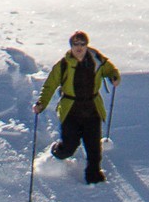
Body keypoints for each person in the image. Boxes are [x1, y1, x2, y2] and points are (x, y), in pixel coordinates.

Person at [34, 31, 120, 185]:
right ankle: (56, 151)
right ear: (71, 46)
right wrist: (41, 103)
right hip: (71, 110)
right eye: (76, 44)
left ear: (86, 45)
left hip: (92, 108)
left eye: (82, 44)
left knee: (94, 147)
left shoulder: (97, 60)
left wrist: (114, 77)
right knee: (69, 147)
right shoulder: (63, 65)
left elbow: (111, 70)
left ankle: (94, 178)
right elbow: (50, 85)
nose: (79, 47)